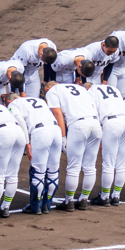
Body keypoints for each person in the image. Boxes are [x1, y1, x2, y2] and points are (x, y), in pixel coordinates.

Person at [45, 80, 102, 211]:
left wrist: (63, 137)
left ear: (47, 89)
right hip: (95, 123)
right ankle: (83, 199)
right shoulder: (80, 88)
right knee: (90, 166)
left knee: (74, 166)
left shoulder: (53, 91)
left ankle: (69, 201)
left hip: (78, 126)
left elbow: (57, 114)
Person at [7, 95, 62, 214]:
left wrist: (27, 143)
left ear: (9, 101)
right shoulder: (39, 100)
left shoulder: (13, 104)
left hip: (41, 132)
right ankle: (47, 205)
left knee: (38, 172)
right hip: (56, 130)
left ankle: (35, 207)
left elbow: (21, 123)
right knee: (53, 171)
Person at [86, 83, 125, 206]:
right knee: (122, 163)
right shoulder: (114, 88)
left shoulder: (91, 91)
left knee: (109, 163)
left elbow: (92, 111)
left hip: (112, 124)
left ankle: (105, 196)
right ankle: (116, 196)